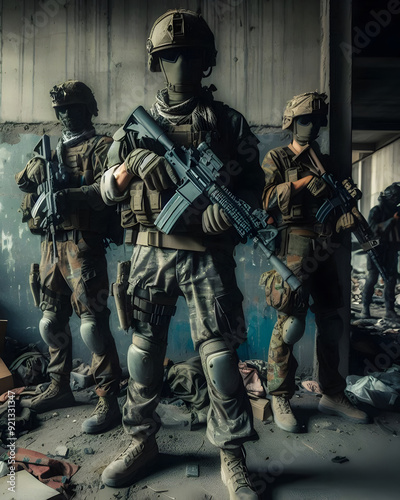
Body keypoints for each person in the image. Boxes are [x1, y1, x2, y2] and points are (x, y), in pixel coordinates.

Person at [100, 9, 263, 499]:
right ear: (156, 63)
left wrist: (229, 217)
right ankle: (141, 441)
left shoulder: (230, 125)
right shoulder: (134, 128)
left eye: (190, 56)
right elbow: (105, 192)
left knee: (219, 361)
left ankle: (231, 456)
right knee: (144, 354)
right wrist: (128, 167)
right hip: (150, 252)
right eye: (170, 56)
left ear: (207, 62)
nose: (180, 65)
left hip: (207, 258)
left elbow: (256, 195)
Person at [15, 80, 122, 434]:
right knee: (51, 321)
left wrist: (70, 196)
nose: (65, 116)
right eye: (60, 111)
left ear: (88, 109)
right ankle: (59, 386)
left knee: (92, 325)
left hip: (83, 246)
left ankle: (108, 399)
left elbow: (108, 191)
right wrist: (32, 172)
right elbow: (24, 184)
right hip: (50, 243)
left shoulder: (103, 146)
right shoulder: (48, 149)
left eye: (72, 109)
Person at [260, 91, 369, 433]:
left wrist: (344, 221)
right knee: (290, 325)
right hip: (293, 246)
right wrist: (306, 183)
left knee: (332, 323)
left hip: (325, 246)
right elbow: (265, 201)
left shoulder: (330, 162)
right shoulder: (277, 158)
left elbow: (337, 209)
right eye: (305, 120)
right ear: (291, 122)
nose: (311, 126)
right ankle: (279, 394)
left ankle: (332, 393)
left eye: (316, 121)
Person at [361, 183, 400, 320]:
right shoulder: (376, 211)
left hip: (390, 249)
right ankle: (365, 307)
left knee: (391, 279)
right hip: (375, 247)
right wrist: (392, 220)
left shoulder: (396, 212)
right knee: (372, 278)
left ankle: (389, 309)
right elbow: (373, 230)